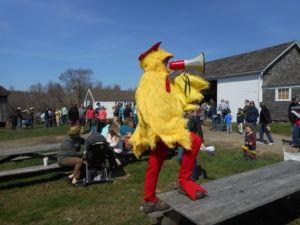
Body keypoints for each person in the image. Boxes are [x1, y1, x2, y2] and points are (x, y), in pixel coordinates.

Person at [129, 42, 209, 214]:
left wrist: (183, 82)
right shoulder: (150, 78)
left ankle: (150, 200)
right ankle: (184, 181)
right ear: (155, 62)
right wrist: (159, 128)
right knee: (194, 141)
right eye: (164, 61)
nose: (167, 64)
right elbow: (145, 105)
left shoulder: (160, 79)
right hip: (162, 130)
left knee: (155, 163)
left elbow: (173, 102)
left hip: (164, 129)